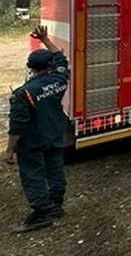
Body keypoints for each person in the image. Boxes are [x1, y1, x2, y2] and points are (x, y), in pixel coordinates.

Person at [6, 25, 70, 233]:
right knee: (54, 169)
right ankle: (56, 205)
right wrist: (45, 39)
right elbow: (61, 60)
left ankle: (41, 213)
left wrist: (10, 150)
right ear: (50, 65)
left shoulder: (24, 94)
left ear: (30, 67)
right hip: (55, 132)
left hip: (33, 140)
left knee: (33, 175)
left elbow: (17, 125)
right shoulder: (60, 78)